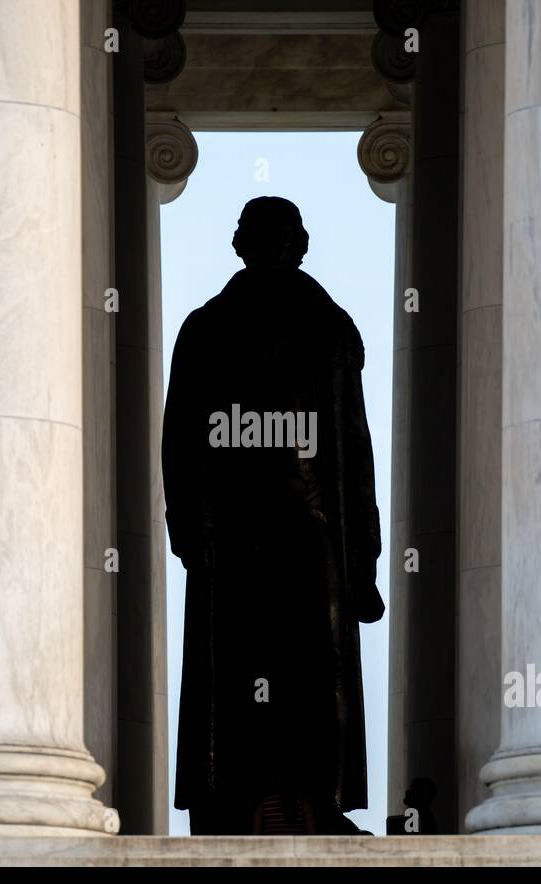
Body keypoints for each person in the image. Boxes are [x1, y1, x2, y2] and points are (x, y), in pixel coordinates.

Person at [162, 196, 384, 836]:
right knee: (251, 662)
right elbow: (180, 439)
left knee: (301, 666)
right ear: (242, 244)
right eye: (265, 234)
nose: (277, 246)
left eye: (283, 234)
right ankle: (252, 794)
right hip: (241, 532)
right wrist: (186, 528)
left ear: (300, 244)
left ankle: (306, 795)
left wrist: (363, 553)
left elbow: (354, 444)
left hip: (306, 532)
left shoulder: (331, 330)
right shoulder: (208, 329)